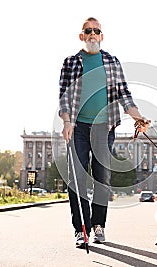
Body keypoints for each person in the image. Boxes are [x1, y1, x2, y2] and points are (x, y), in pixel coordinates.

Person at [59, 17, 149, 249]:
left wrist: (138, 117)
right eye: (88, 30)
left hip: (104, 127)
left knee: (102, 178)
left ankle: (98, 226)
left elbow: (124, 95)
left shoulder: (111, 61)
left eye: (96, 31)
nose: (92, 34)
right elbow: (65, 97)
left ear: (101, 36)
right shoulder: (71, 62)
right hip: (78, 128)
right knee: (77, 179)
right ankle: (81, 230)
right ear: (81, 36)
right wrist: (67, 122)